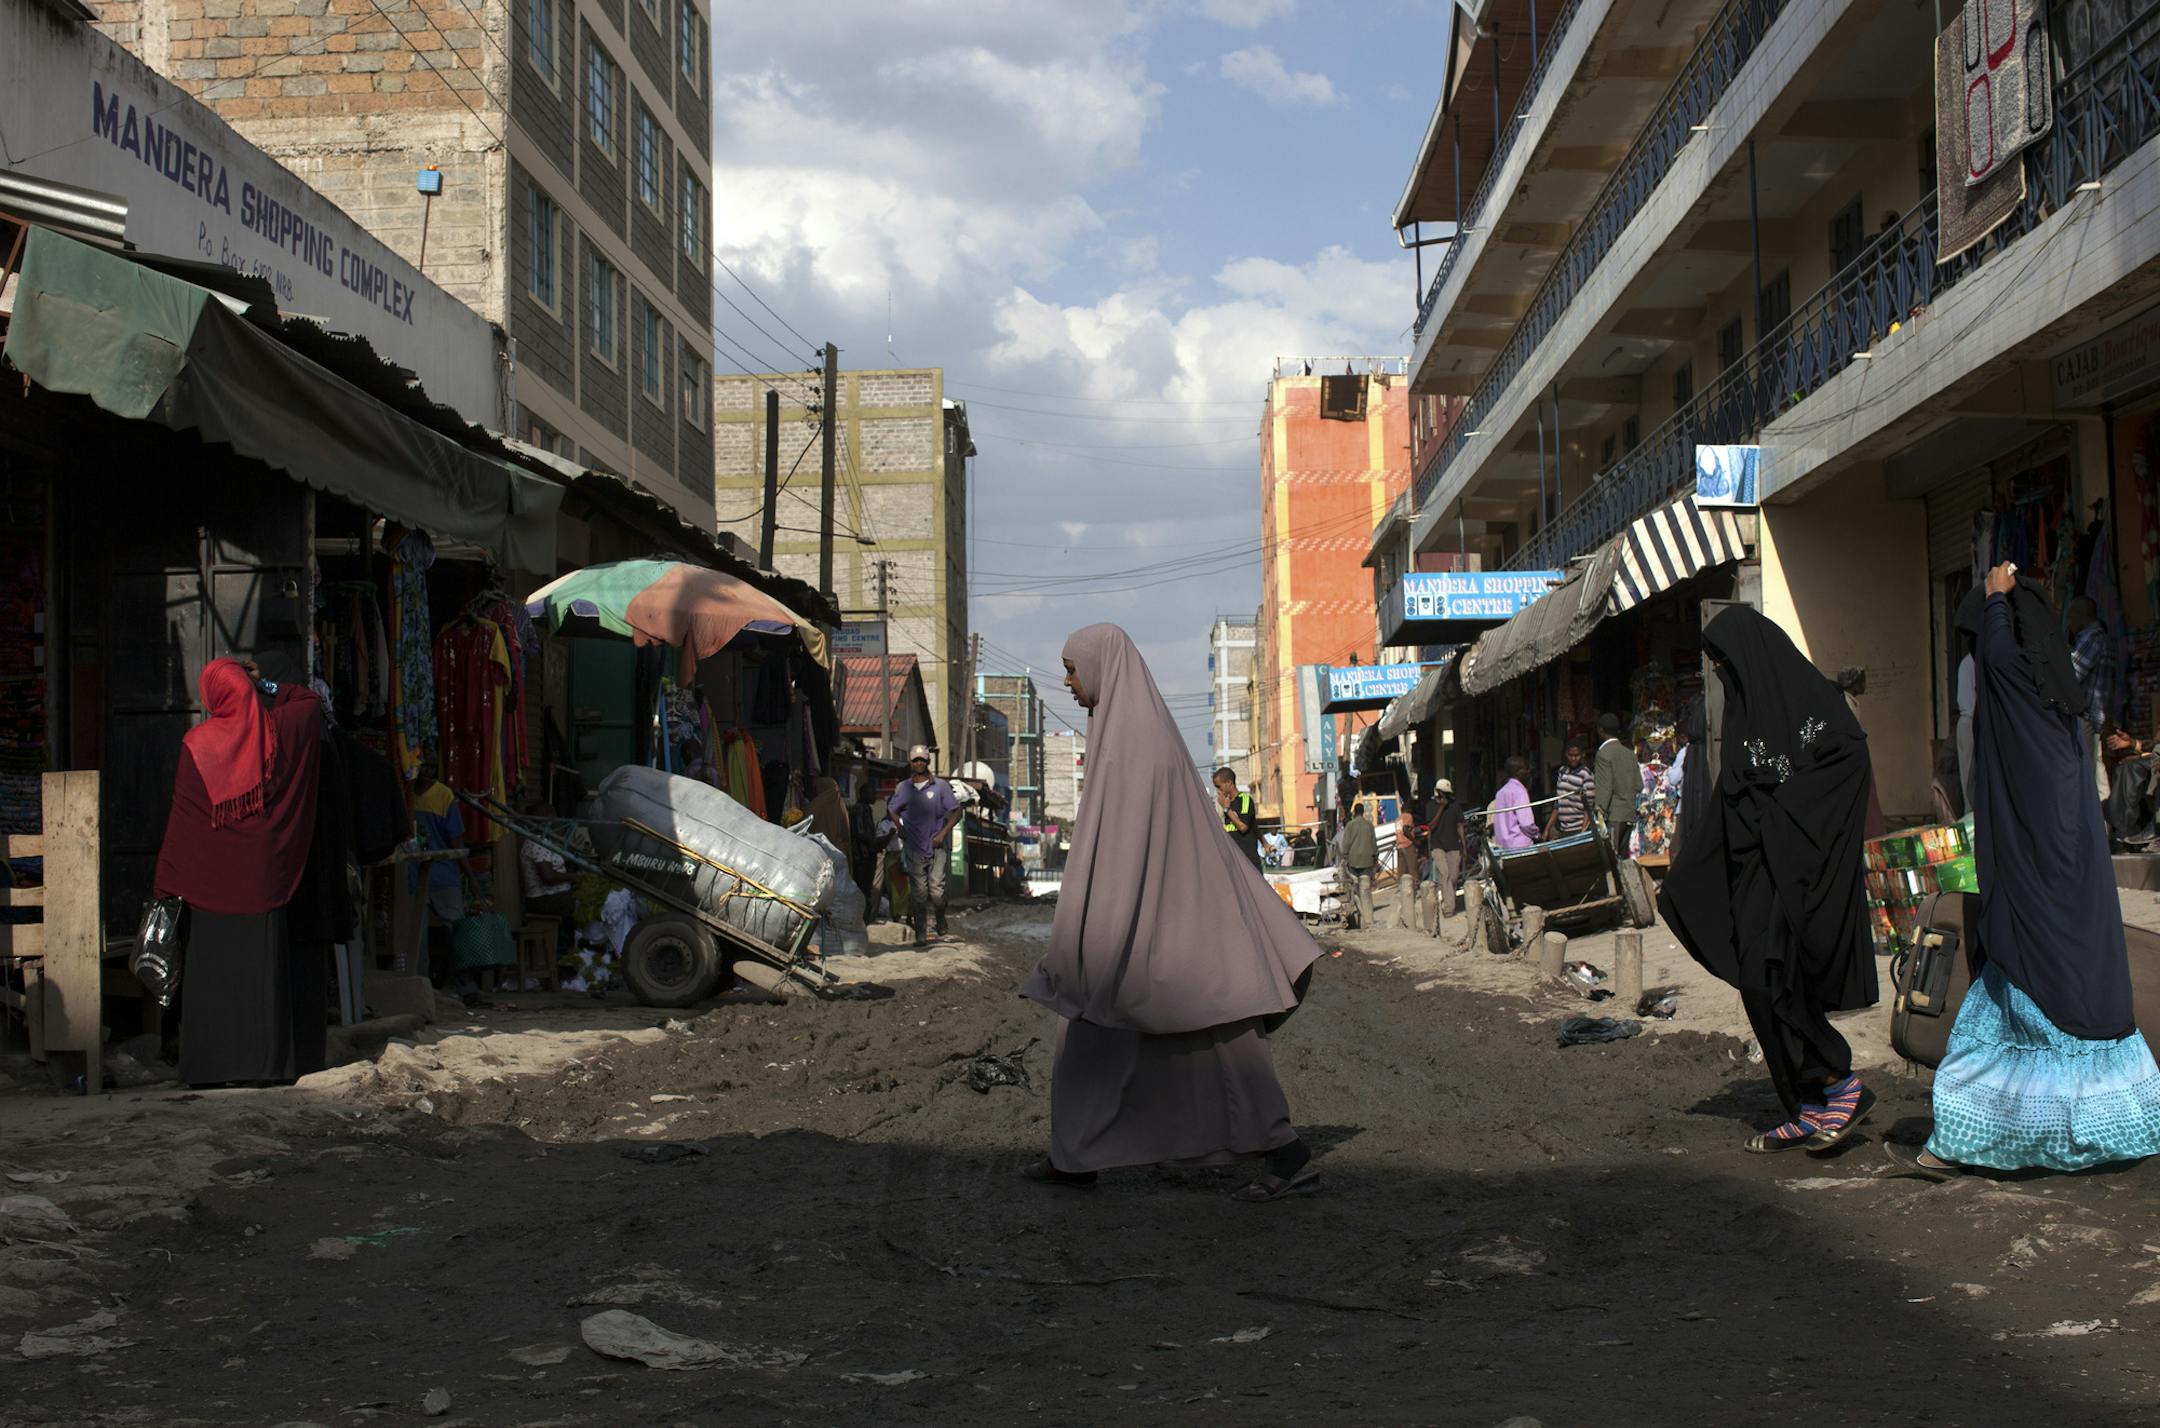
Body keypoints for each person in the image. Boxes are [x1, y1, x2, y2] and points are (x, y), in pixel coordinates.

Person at [1021, 624, 1321, 1201]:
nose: (1067, 681)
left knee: (1223, 1048)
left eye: (1071, 668)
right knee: (1091, 1038)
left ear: (1102, 668)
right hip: (1156, 927)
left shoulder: (1135, 745)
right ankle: (1074, 1157)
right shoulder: (1126, 734)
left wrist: (1095, 933)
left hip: (1172, 934)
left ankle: (1287, 1155)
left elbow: (1124, 852)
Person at [1891, 565, 2160, 1178]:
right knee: (2076, 988)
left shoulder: (2012, 691)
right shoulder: (2060, 703)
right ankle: (2113, 1128)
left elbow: (1998, 652)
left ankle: (1963, 1138)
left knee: (2017, 997)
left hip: (2035, 880)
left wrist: (1992, 600)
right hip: (2075, 880)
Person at [1660, 608, 1878, 1154]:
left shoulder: (1813, 704)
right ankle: (1806, 1105)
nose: (1719, 675)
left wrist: (1783, 810)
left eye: (1724, 663)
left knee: (1778, 977)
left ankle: (1840, 1082)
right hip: (1757, 871)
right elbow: (1732, 798)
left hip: (1799, 865)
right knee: (1758, 983)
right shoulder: (1742, 713)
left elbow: (1847, 761)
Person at [153, 658, 331, 1088]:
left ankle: (211, 1069)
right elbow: (309, 699)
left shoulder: (197, 743)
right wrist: (264, 683)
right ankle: (264, 1067)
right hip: (264, 882)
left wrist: (167, 879)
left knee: (213, 977)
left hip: (208, 885)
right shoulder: (282, 730)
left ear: (212, 697)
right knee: (259, 978)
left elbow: (184, 820)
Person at [887, 744, 962, 946]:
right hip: (914, 847)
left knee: (937, 893)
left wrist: (943, 833)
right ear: (911, 763)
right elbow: (892, 809)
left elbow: (957, 811)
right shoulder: (903, 787)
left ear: (928, 762)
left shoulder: (940, 786)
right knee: (919, 893)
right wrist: (899, 827)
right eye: (915, 760)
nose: (919, 763)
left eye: (922, 759)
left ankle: (940, 916)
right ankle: (921, 934)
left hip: (937, 846)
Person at [2069, 594, 2114, 798]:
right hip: (2094, 716)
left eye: (2071, 616)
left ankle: (2097, 826)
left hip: (2087, 715)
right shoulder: (2098, 637)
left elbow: (2072, 674)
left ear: (2081, 615)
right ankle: (2103, 825)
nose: (2069, 622)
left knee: (2088, 773)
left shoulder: (2091, 638)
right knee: (2096, 770)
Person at [1593, 712, 1642, 859]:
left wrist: (1599, 810)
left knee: (1611, 859)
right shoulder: (1629, 754)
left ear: (1600, 730)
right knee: (1625, 858)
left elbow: (1605, 787)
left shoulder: (1603, 754)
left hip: (1614, 815)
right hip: (1630, 813)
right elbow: (1639, 785)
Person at [1425, 779, 1464, 918]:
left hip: (1453, 845)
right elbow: (1431, 826)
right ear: (1438, 792)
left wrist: (1464, 846)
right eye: (1444, 793)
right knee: (1445, 874)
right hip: (1438, 845)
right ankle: (1449, 908)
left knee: (1453, 876)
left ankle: (1449, 901)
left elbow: (1460, 825)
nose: (1446, 796)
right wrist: (1441, 808)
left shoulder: (1455, 806)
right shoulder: (1430, 806)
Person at [1338, 799, 1378, 930]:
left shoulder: (1350, 825)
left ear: (1355, 812)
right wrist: (1375, 860)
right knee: (1366, 889)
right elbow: (1374, 844)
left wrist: (1344, 857)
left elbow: (1346, 844)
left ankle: (1359, 916)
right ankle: (1369, 920)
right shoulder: (1369, 825)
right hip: (1367, 862)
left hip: (1353, 862)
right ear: (1364, 812)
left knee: (1355, 890)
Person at [1214, 768, 1262, 870]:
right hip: (1233, 859)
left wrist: (1227, 809)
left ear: (1229, 783)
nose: (1219, 790)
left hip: (1248, 859)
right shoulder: (1227, 803)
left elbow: (1243, 826)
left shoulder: (1244, 800)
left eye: (1219, 786)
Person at [1545, 738, 1594, 841]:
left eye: (1577, 755)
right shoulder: (1562, 772)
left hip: (1578, 828)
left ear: (1582, 755)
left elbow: (1588, 808)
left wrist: (1582, 833)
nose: (1573, 758)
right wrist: (1547, 828)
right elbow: (1558, 803)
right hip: (1563, 829)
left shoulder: (1586, 775)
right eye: (1570, 755)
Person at [1490, 756, 1539, 851]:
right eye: (1526, 769)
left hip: (1503, 847)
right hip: (1521, 845)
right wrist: (1537, 835)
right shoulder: (1520, 791)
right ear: (1518, 771)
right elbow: (1526, 823)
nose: (1528, 772)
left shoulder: (1500, 793)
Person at [1395, 801, 1426, 932]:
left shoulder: (1398, 818)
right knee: (1413, 870)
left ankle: (1401, 894)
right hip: (1408, 845)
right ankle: (1415, 894)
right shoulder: (1408, 817)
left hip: (1399, 846)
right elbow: (1406, 830)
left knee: (1402, 873)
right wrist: (1415, 841)